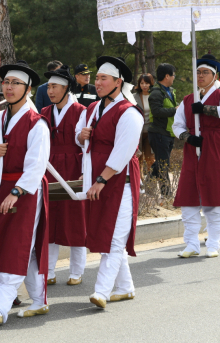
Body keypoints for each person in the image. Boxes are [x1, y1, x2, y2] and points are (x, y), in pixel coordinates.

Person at [0, 60, 50, 324]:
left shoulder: (36, 123)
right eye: (5, 82)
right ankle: (39, 300)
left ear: (28, 89)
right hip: (0, 188)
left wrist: (17, 191)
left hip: (25, 191)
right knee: (19, 245)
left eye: (15, 83)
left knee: (17, 244)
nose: (9, 87)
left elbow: (36, 165)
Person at [75, 56, 143, 309]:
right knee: (108, 233)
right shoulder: (93, 109)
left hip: (118, 182)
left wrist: (101, 179)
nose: (98, 83)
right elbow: (79, 138)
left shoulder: (129, 113)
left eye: (104, 78)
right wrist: (81, 136)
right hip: (98, 181)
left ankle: (101, 291)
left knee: (114, 238)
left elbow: (123, 151)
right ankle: (125, 288)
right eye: (97, 78)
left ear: (118, 82)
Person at [172, 55, 220, 259]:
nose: (200, 76)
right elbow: (177, 125)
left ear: (214, 75)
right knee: (189, 197)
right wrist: (188, 137)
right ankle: (191, 243)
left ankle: (213, 243)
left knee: (215, 197)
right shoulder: (188, 99)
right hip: (194, 149)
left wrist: (206, 109)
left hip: (215, 146)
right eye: (198, 72)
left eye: (205, 72)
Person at [41, 65, 87, 286]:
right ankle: (48, 270)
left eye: (55, 86)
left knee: (75, 218)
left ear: (67, 87)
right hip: (49, 167)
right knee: (49, 219)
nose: (51, 91)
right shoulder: (44, 112)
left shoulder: (81, 111)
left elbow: (82, 140)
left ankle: (76, 271)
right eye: (49, 86)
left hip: (73, 166)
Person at [148, 63, 177, 196]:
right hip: (158, 133)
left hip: (168, 133)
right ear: (167, 76)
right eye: (173, 75)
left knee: (161, 162)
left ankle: (146, 184)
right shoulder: (156, 92)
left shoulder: (170, 91)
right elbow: (156, 111)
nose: (174, 77)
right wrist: (174, 110)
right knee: (163, 164)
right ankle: (166, 194)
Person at [132, 73, 156, 173]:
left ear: (151, 83)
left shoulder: (154, 96)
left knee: (150, 159)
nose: (144, 85)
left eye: (147, 83)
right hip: (138, 132)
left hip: (151, 131)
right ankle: (139, 185)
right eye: (142, 83)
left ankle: (152, 184)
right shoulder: (133, 97)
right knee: (138, 159)